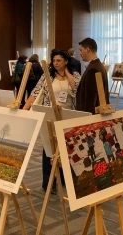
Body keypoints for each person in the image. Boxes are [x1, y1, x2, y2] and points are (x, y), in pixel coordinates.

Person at [23, 50, 81, 194]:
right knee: (49, 148)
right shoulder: (47, 76)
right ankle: (49, 182)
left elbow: (76, 89)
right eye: (54, 61)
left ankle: (64, 179)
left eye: (59, 61)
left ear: (66, 61)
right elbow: (35, 93)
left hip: (67, 115)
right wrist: (24, 109)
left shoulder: (74, 76)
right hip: (50, 115)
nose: (56, 63)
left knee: (67, 148)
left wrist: (66, 73)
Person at [76, 38, 110, 114]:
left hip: (91, 115)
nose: (80, 53)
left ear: (87, 49)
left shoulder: (93, 69)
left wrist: (86, 118)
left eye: (81, 50)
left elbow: (90, 98)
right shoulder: (99, 66)